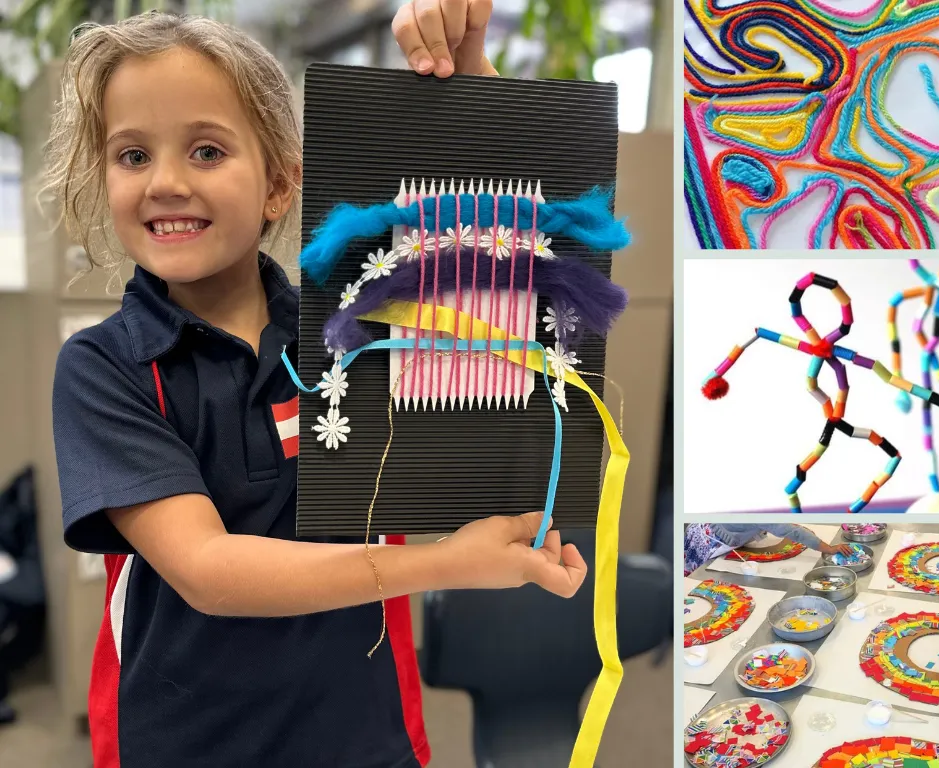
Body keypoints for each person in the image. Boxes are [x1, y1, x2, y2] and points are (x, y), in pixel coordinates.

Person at [45, 5, 586, 767]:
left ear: (278, 184)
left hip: (369, 739)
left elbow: (508, 305)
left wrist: (469, 82)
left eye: (205, 150)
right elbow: (208, 572)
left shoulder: (361, 324)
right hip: (184, 747)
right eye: (133, 155)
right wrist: (449, 564)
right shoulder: (106, 368)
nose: (165, 182)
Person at [683, 523, 854, 575]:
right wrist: (829, 548)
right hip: (707, 539)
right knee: (696, 573)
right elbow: (793, 532)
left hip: (705, 528)